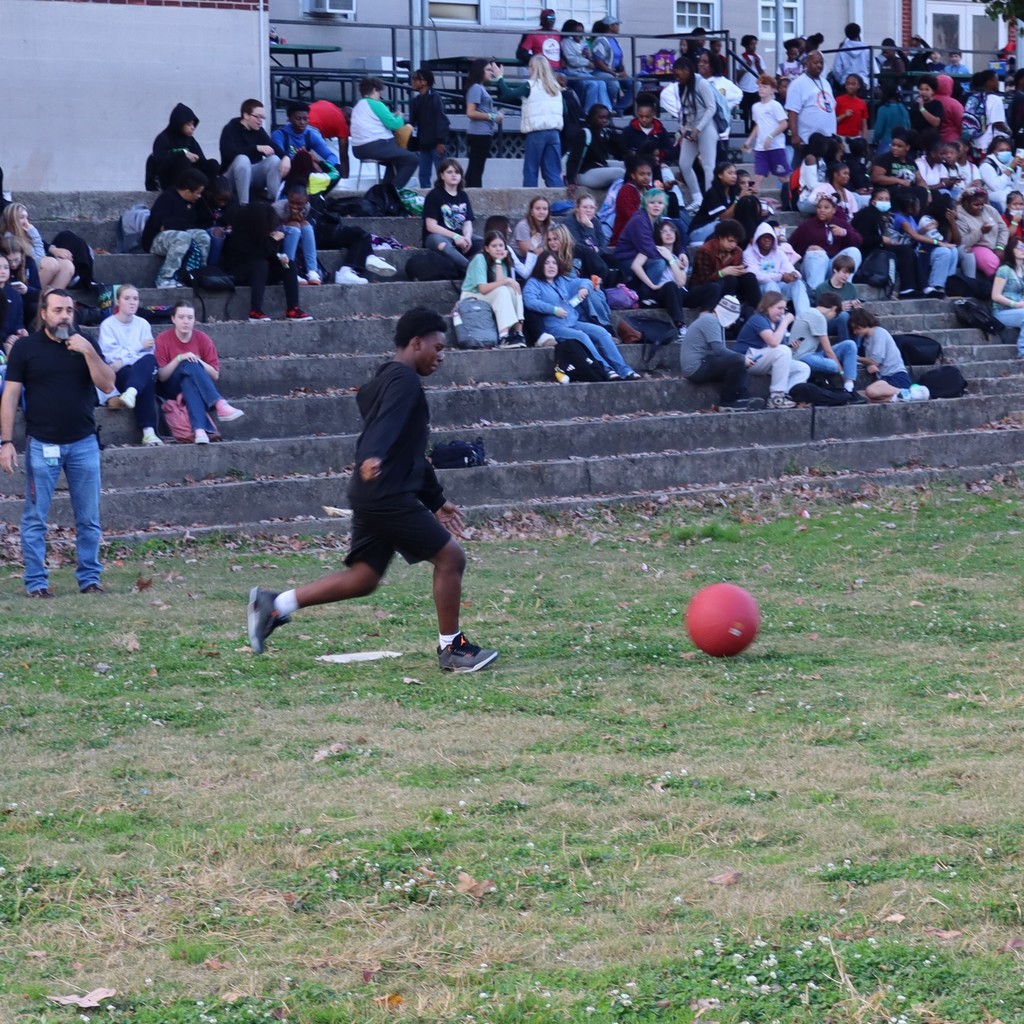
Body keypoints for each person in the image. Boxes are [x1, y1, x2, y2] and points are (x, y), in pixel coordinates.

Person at [247, 307, 499, 672]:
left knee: (363, 577)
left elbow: (412, 453)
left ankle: (274, 605)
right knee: (451, 558)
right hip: (386, 494)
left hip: (373, 492)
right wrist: (372, 455)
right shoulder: (404, 381)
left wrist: (437, 501)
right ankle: (452, 649)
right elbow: (383, 428)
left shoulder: (386, 380)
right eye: (438, 348)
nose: (441, 356)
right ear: (416, 343)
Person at [0, 289, 115, 597]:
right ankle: (37, 583)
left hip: (84, 443)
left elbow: (108, 384)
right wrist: (6, 441)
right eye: (58, 310)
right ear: (44, 313)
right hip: (42, 444)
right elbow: (10, 396)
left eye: (69, 310)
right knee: (36, 518)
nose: (65, 315)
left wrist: (88, 352)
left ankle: (90, 579)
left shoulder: (85, 343)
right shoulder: (25, 348)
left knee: (89, 518)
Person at [523, 253, 639, 380]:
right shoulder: (534, 283)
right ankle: (605, 368)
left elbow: (586, 281)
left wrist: (583, 288)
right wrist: (553, 310)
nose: (551, 266)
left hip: (573, 321)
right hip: (554, 327)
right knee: (581, 336)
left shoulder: (562, 280)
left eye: (554, 263)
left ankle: (624, 370)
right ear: (540, 265)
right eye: (547, 263)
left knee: (602, 332)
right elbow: (530, 301)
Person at [620, 203, 717, 336]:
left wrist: (671, 259)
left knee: (713, 287)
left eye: (671, 231)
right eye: (664, 231)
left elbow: (681, 282)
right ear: (658, 235)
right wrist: (652, 285)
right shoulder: (652, 249)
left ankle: (703, 321)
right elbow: (635, 266)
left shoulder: (680, 256)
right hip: (662, 292)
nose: (668, 234)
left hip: (680, 292)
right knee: (670, 285)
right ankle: (680, 325)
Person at [154, 299, 244, 445]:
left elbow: (215, 374)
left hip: (193, 386)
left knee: (189, 378)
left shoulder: (203, 339)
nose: (186, 321)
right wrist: (180, 358)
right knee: (187, 363)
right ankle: (220, 404)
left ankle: (199, 431)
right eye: (181, 317)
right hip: (169, 387)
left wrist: (199, 361)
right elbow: (162, 376)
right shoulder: (163, 339)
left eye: (190, 317)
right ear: (173, 319)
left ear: (194, 319)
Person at [221, 202, 312, 321]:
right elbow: (254, 256)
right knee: (260, 264)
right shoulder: (239, 236)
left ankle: (293, 309)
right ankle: (255, 310)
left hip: (260, 274)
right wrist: (273, 241)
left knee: (288, 264)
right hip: (239, 273)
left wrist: (280, 258)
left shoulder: (262, 235)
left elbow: (268, 255)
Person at [97, 285, 163, 446]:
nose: (132, 302)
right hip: (119, 375)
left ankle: (131, 392)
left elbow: (147, 354)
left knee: (148, 361)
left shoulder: (143, 324)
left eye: (135, 298)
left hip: (137, 368)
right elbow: (111, 358)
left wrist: (125, 358)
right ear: (118, 301)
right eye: (127, 298)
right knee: (143, 378)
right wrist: (137, 347)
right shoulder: (108, 325)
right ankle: (149, 432)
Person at [679, 295, 762, 410]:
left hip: (703, 362)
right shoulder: (711, 321)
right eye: (733, 319)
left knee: (738, 361)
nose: (733, 323)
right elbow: (719, 350)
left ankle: (742, 397)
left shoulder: (711, 320)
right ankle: (727, 402)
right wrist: (743, 359)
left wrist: (742, 359)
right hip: (695, 368)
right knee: (738, 360)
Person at [733, 291, 810, 408]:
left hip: (766, 361)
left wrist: (792, 348)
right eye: (779, 308)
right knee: (783, 350)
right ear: (768, 306)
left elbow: (780, 349)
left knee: (803, 368)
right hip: (748, 360)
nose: (782, 312)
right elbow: (773, 343)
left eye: (784, 309)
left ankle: (786, 395)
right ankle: (776, 396)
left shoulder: (778, 323)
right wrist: (785, 322)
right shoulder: (758, 319)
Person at [141, 168, 212, 289]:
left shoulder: (193, 203)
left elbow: (194, 223)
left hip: (179, 234)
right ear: (188, 191)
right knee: (183, 237)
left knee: (203, 236)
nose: (199, 196)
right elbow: (162, 225)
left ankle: (198, 273)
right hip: (155, 239)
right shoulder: (167, 198)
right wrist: (180, 225)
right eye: (198, 193)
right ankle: (165, 278)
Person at [659, 57, 716, 207]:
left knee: (708, 165)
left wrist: (699, 128)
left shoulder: (701, 83)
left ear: (687, 71)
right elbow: (684, 111)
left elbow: (711, 108)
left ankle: (710, 202)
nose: (676, 78)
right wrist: (684, 130)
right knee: (684, 164)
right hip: (691, 128)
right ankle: (698, 198)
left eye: (678, 75)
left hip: (706, 127)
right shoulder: (681, 86)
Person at [461, 231, 526, 348]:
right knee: (504, 290)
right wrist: (507, 280)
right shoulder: (479, 259)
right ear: (487, 248)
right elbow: (482, 288)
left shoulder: (502, 260)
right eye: (494, 246)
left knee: (514, 289)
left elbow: (499, 282)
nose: (498, 249)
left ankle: (518, 333)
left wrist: (498, 262)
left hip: (490, 293)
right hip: (472, 295)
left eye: (501, 245)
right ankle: (504, 336)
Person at [350, 78, 418, 188]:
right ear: (374, 89)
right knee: (412, 159)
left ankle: (384, 190)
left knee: (397, 161)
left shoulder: (358, 106)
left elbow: (378, 118)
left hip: (358, 149)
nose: (380, 94)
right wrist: (400, 116)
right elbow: (395, 125)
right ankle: (392, 193)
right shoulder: (376, 104)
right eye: (379, 91)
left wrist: (392, 115)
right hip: (375, 146)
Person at [219, 99, 287, 205]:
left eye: (262, 118)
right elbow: (229, 154)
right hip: (231, 177)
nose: (260, 121)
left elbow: (274, 148)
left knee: (274, 160)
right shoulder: (230, 129)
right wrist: (256, 148)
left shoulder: (258, 131)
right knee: (242, 159)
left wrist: (286, 158)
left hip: (252, 176)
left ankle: (275, 202)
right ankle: (243, 205)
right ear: (246, 115)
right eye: (257, 116)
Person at [789, 195, 863, 290]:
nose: (822, 210)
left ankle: (845, 288)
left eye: (826, 207)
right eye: (819, 207)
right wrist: (808, 251)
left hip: (833, 267)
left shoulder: (842, 224)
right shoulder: (806, 226)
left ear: (834, 209)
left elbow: (859, 241)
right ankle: (816, 291)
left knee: (854, 251)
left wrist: (844, 233)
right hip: (812, 267)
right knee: (817, 253)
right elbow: (791, 247)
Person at [850, 307, 925, 402]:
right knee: (865, 397)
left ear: (864, 323)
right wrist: (869, 365)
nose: (855, 332)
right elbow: (873, 362)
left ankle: (909, 392)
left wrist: (856, 357)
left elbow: (875, 360)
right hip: (885, 379)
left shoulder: (878, 333)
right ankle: (897, 398)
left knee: (870, 391)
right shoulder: (867, 339)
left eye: (857, 328)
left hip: (896, 376)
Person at [788, 291, 858, 391]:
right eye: (835, 315)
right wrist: (842, 372)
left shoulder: (811, 312)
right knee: (833, 365)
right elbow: (828, 351)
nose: (833, 318)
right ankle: (847, 382)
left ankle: (849, 384)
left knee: (849, 345)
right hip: (802, 357)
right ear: (834, 309)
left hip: (813, 354)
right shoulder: (818, 317)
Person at [421, 159, 481, 272]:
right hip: (437, 236)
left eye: (457, 172)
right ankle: (470, 270)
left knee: (486, 244)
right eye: (449, 172)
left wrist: (467, 237)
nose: (454, 175)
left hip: (460, 235)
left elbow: (467, 222)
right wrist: (456, 237)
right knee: (442, 244)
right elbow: (431, 226)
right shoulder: (434, 195)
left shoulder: (463, 195)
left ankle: (467, 266)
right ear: (442, 176)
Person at [147, 102, 220, 191]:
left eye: (193, 124)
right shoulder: (163, 138)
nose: (193, 127)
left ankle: (205, 194)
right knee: (183, 161)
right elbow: (161, 162)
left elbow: (202, 161)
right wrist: (183, 154)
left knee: (213, 164)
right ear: (179, 124)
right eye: (189, 124)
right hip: (171, 179)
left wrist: (197, 159)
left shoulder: (190, 140)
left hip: (192, 179)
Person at [1, 203, 75, 291]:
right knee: (50, 263)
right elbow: (37, 260)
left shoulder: (24, 233)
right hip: (24, 276)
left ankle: (51, 298)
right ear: (12, 220)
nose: (26, 222)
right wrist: (34, 233)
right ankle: (42, 299)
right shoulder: (9, 239)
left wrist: (53, 249)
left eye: (26, 218)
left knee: (67, 265)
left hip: (35, 272)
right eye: (21, 218)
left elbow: (42, 249)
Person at [271, 101, 339, 195]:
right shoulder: (279, 135)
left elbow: (332, 156)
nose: (302, 122)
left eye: (305, 119)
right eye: (298, 119)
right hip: (289, 173)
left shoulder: (309, 135)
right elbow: (280, 156)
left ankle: (319, 197)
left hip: (307, 174)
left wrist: (321, 164)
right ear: (289, 119)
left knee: (338, 168)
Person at [690, 220, 762, 310]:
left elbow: (736, 275)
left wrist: (740, 271)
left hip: (729, 287)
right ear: (720, 237)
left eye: (736, 242)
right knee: (730, 279)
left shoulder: (737, 251)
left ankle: (758, 310)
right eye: (730, 241)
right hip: (705, 288)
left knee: (749, 277)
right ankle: (727, 309)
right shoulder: (705, 251)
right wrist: (722, 273)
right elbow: (704, 280)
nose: (733, 245)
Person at [743, 222, 808, 314]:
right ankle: (779, 319)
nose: (767, 240)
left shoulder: (779, 253)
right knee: (771, 284)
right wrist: (780, 277)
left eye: (770, 237)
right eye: (764, 237)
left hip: (779, 285)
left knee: (798, 283)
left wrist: (794, 274)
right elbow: (756, 277)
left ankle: (803, 317)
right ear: (757, 239)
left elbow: (788, 267)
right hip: (761, 289)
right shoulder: (748, 254)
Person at [519, 56, 565, 187]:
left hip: (536, 133)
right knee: (553, 172)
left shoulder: (529, 86)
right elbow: (565, 110)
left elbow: (507, 93)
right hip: (554, 133)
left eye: (529, 67)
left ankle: (530, 203)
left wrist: (499, 78)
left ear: (533, 68)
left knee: (531, 170)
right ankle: (559, 203)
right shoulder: (556, 87)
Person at [742, 75, 790, 189]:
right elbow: (758, 125)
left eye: (765, 86)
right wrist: (749, 140)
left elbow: (784, 124)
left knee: (782, 176)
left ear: (773, 89)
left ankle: (792, 196)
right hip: (760, 147)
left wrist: (770, 136)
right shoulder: (755, 107)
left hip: (776, 147)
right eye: (759, 87)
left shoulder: (775, 105)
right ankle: (753, 201)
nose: (761, 89)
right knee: (758, 176)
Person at [464, 59, 504, 189]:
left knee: (476, 167)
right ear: (479, 71)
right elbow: (470, 112)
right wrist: (492, 116)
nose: (491, 72)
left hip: (484, 133)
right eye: (488, 69)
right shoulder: (476, 88)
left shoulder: (480, 88)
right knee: (476, 169)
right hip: (479, 133)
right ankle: (473, 193)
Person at [565, 104, 625, 189]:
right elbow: (573, 159)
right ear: (592, 118)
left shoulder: (605, 132)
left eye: (606, 117)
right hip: (584, 173)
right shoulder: (584, 133)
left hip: (600, 166)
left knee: (627, 165)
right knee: (620, 172)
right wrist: (570, 181)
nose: (604, 120)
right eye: (600, 118)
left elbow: (620, 152)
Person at [785, 51, 836, 150]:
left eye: (821, 63)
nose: (819, 65)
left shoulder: (826, 83)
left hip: (828, 137)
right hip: (808, 139)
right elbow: (792, 112)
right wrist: (794, 135)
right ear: (807, 63)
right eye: (815, 62)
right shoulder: (797, 84)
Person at [409, 68, 451, 188]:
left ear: (424, 82)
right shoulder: (415, 101)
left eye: (416, 79)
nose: (413, 82)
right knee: (423, 175)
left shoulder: (435, 98)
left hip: (436, 144)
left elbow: (441, 119)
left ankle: (446, 196)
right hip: (423, 144)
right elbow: (413, 123)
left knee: (443, 173)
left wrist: (441, 141)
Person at [957, 185, 1008, 279]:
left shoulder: (990, 209)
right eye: (976, 204)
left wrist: (1000, 246)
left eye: (982, 204)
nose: (981, 207)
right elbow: (963, 242)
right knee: (992, 262)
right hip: (977, 246)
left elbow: (1003, 229)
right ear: (965, 203)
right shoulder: (959, 215)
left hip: (997, 245)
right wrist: (981, 232)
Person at [621, 96, 676, 178]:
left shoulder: (660, 130)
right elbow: (622, 151)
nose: (644, 119)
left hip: (658, 166)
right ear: (637, 114)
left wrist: (659, 156)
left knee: (668, 175)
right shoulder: (629, 131)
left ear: (653, 114)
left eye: (647, 116)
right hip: (636, 167)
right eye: (641, 116)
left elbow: (670, 151)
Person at [589, 17, 634, 116]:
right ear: (610, 26)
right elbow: (598, 62)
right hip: (602, 72)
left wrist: (623, 72)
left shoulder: (614, 40)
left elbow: (619, 59)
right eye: (616, 25)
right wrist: (614, 74)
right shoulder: (601, 40)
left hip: (615, 72)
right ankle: (608, 108)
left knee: (636, 83)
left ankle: (620, 107)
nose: (618, 27)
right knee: (613, 84)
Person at [688, 160, 741, 244]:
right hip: (698, 232)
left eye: (735, 173)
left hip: (717, 228)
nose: (734, 176)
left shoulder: (732, 192)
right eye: (730, 173)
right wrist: (739, 199)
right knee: (727, 224)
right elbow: (724, 217)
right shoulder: (713, 192)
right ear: (720, 175)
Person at [609, 155, 654, 245]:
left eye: (648, 174)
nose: (646, 177)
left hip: (647, 235)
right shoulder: (626, 191)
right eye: (642, 174)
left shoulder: (651, 190)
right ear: (633, 175)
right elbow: (631, 217)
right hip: (626, 238)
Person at [991, 237, 1024, 355]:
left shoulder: (1023, 270)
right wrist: (1016, 304)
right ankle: (1022, 351)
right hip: (1002, 312)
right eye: (1019, 247)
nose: (1022, 249)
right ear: (1011, 250)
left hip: (1018, 310)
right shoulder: (1004, 270)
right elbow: (995, 295)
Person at [308, 99, 351, 179]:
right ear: (348, 121)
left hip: (296, 121)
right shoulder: (342, 123)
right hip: (312, 129)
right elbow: (343, 156)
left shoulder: (328, 104)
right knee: (329, 159)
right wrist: (345, 178)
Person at [978, 137, 1024, 211]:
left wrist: (1022, 170)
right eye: (1001, 150)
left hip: (1012, 191)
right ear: (994, 151)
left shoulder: (1013, 160)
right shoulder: (986, 165)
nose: (1005, 152)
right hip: (994, 193)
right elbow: (996, 187)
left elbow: (1018, 188)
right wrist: (1010, 168)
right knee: (1006, 197)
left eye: (1007, 150)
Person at [0, 253, 27, 365]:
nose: (3, 271)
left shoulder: (15, 294)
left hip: (11, 340)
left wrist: (20, 331)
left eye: (6, 267)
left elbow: (18, 320)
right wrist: (6, 339)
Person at [832, 23, 871, 92]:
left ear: (846, 34)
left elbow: (836, 69)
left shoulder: (842, 50)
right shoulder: (867, 49)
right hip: (863, 83)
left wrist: (842, 80)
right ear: (859, 32)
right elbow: (874, 69)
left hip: (846, 83)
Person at [513, 195, 553, 261]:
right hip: (521, 260)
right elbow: (529, 254)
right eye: (538, 209)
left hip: (543, 258)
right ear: (531, 212)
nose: (541, 212)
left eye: (545, 209)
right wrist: (548, 248)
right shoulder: (523, 226)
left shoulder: (551, 224)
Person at [835, 75, 869, 140]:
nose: (850, 86)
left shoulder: (862, 103)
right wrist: (844, 115)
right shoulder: (838, 100)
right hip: (840, 137)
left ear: (858, 86)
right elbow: (833, 121)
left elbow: (864, 125)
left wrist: (864, 140)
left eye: (853, 84)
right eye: (848, 84)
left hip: (856, 138)